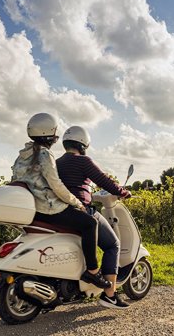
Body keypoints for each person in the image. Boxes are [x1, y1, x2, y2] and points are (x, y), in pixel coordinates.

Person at [11, 113, 110, 290]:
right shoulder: (44, 155)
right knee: (90, 223)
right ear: (50, 133)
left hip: (33, 208)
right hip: (50, 208)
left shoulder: (22, 156)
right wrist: (77, 203)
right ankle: (93, 272)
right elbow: (56, 186)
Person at [56, 125, 132, 310]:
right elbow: (104, 180)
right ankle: (110, 296)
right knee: (113, 245)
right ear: (83, 145)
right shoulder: (83, 161)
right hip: (82, 211)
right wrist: (122, 192)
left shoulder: (56, 163)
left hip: (60, 212)